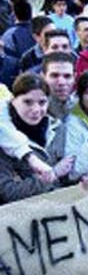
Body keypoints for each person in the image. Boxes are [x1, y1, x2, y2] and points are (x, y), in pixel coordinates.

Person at [0, 73, 74, 204]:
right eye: (27, 102)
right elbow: (8, 192)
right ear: (13, 100)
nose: (36, 109)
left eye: (42, 102)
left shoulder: (57, 128)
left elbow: (68, 175)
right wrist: (52, 175)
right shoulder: (4, 141)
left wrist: (83, 177)